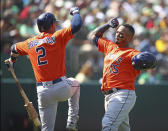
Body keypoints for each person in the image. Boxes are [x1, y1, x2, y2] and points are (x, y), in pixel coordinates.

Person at [5, 7, 82, 131]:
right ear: (51, 25)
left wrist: (13, 60)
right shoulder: (57, 37)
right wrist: (76, 12)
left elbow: (14, 47)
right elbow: (77, 25)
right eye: (54, 24)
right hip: (61, 86)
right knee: (76, 84)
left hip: (43, 92)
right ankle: (72, 123)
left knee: (46, 129)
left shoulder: (30, 43)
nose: (56, 26)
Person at [88, 18, 156, 131]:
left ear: (129, 38)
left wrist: (146, 61)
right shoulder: (110, 46)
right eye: (118, 32)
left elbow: (151, 61)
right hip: (108, 95)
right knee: (122, 128)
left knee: (108, 123)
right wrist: (107, 25)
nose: (118, 35)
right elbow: (94, 36)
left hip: (122, 94)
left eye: (122, 34)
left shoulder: (132, 53)